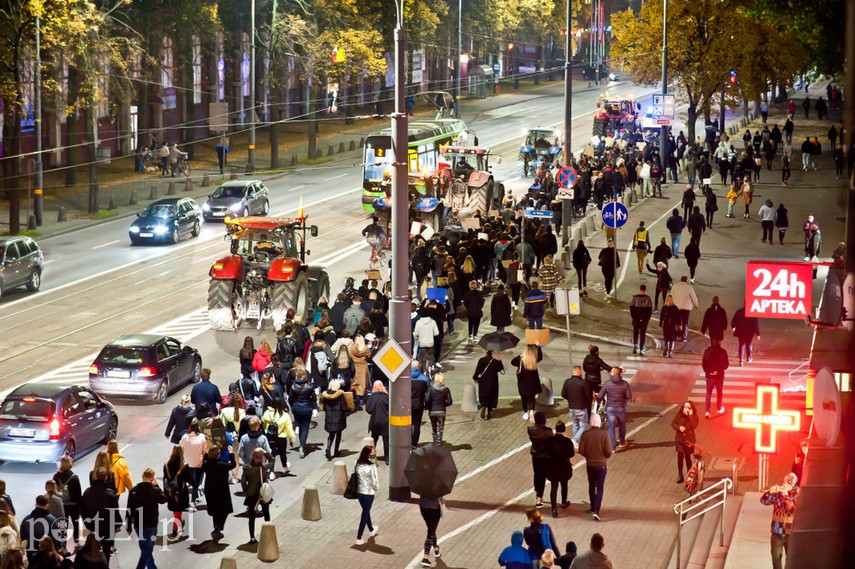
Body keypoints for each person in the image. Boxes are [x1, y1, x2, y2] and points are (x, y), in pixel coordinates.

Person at [125, 468, 168, 569]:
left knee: (145, 548)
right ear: (153, 478)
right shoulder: (155, 490)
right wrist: (157, 485)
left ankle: (151, 567)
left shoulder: (133, 491)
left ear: (142, 477)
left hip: (138, 524)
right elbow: (164, 499)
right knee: (147, 550)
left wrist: (128, 527)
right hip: (151, 524)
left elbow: (129, 510)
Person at [79, 467, 119, 564]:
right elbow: (115, 511)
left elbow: (82, 509)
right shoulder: (110, 494)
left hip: (93, 525)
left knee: (94, 548)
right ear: (106, 477)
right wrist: (116, 525)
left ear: (95, 476)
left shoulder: (87, 492)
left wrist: (87, 522)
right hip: (107, 526)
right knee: (106, 549)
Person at [760, 473, 799, 569]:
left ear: (791, 484)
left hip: (791, 533)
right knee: (776, 556)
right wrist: (770, 491)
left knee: (791, 559)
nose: (783, 484)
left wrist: (786, 496)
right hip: (777, 532)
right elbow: (763, 501)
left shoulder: (797, 495)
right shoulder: (778, 494)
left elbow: (792, 510)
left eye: (785, 482)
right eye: (783, 482)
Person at [577, 414, 611, 522]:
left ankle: (592, 507)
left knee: (591, 485)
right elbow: (609, 452)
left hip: (590, 465)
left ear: (591, 423)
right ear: (599, 422)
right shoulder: (605, 434)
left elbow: (581, 450)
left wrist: (589, 455)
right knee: (600, 487)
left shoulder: (585, 434)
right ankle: (596, 510)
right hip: (601, 465)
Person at [202, 445, 235, 536]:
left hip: (210, 488)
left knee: (214, 507)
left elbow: (204, 459)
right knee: (224, 509)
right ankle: (220, 524)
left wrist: (206, 452)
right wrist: (231, 453)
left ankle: (216, 524)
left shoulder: (206, 464)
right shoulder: (221, 464)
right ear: (218, 455)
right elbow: (233, 465)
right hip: (221, 488)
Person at [241, 448, 271, 544]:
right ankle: (269, 533)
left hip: (251, 493)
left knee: (252, 516)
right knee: (266, 513)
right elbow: (273, 460)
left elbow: (243, 481)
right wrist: (265, 452)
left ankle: (252, 537)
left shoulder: (247, 468)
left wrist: (245, 491)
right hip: (263, 492)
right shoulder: (263, 468)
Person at [527, 411, 556, 513]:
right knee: (543, 476)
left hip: (535, 455)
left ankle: (537, 491)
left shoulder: (531, 430)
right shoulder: (548, 431)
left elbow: (532, 425)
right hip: (545, 456)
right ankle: (539, 497)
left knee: (537, 473)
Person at [598, 368, 632, 450]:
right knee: (622, 425)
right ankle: (622, 441)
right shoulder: (624, 383)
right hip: (621, 407)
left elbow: (600, 395)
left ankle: (612, 446)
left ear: (613, 374)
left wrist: (599, 401)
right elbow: (629, 396)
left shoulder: (607, 383)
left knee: (611, 427)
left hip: (610, 408)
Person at [19, 496, 61, 562]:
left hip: (31, 551)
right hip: (48, 553)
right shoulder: (52, 520)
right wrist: (58, 547)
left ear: (36, 504)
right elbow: (57, 537)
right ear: (47, 505)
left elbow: (23, 536)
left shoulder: (26, 519)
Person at [53, 455, 82, 549]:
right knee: (75, 523)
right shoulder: (74, 477)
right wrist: (80, 507)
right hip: (73, 505)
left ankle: (63, 545)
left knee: (62, 524)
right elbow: (78, 494)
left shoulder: (56, 476)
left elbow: (54, 491)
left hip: (61, 505)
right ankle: (76, 543)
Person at [354, 445, 380, 545]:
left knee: (366, 510)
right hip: (369, 492)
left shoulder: (357, 463)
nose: (374, 454)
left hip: (359, 491)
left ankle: (371, 529)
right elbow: (375, 480)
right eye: (372, 453)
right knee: (365, 513)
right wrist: (377, 488)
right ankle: (359, 537)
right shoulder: (372, 466)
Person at [288, 370, 318, 459]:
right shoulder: (309, 386)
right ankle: (302, 445)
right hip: (306, 408)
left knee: (299, 424)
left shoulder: (293, 386)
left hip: (296, 408)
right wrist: (315, 408)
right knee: (305, 427)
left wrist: (292, 406)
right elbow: (314, 398)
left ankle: (301, 441)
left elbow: (290, 399)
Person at [162, 445, 189, 540]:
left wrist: (165, 493)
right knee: (178, 512)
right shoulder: (184, 466)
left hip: (170, 492)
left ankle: (178, 524)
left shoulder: (166, 465)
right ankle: (175, 531)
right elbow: (190, 480)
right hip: (181, 493)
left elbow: (164, 480)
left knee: (176, 512)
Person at [178, 419, 207, 506]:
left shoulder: (185, 437)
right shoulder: (202, 437)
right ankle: (193, 501)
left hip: (187, 463)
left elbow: (180, 447)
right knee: (196, 483)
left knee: (189, 482)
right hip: (198, 462)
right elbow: (204, 450)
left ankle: (188, 500)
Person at [561, 366, 592, 446]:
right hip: (581, 408)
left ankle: (576, 443)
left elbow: (563, 394)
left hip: (572, 407)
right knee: (583, 425)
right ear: (579, 372)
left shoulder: (567, 382)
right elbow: (588, 396)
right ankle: (575, 440)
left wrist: (570, 398)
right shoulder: (583, 383)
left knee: (575, 425)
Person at [512, 345, 543, 421]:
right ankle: (531, 411)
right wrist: (538, 347)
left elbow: (512, 362)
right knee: (532, 398)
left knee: (524, 399)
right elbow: (540, 357)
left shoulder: (521, 360)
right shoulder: (534, 360)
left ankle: (525, 413)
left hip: (523, 383)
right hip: (533, 383)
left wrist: (520, 356)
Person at [319, 378, 348, 460]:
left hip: (329, 417)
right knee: (338, 434)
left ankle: (328, 448)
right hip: (339, 417)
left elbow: (324, 407)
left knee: (331, 434)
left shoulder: (325, 395)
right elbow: (343, 407)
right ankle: (336, 451)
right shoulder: (340, 395)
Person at [550, 421, 576, 512]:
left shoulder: (551, 441)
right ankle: (564, 502)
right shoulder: (567, 441)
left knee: (554, 487)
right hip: (564, 467)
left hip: (553, 467)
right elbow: (572, 454)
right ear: (564, 430)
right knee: (564, 485)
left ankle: (553, 508)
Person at [672, 401, 699, 483]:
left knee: (687, 457)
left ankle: (689, 475)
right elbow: (673, 423)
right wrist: (679, 427)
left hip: (689, 440)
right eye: (685, 407)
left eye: (689, 407)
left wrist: (690, 415)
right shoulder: (679, 415)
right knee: (680, 455)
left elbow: (694, 425)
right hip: (680, 439)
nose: (686, 409)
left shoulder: (694, 416)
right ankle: (680, 475)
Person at [701, 338, 729, 418]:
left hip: (709, 376)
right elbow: (725, 365)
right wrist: (717, 371)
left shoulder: (707, 351)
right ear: (719, 343)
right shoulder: (723, 352)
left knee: (708, 393)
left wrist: (709, 372)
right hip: (719, 376)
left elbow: (704, 363)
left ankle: (707, 411)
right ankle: (719, 408)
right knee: (719, 392)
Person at [473, 350, 504, 420]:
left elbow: (477, 370)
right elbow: (500, 369)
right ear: (492, 352)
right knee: (492, 395)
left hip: (483, 381)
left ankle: (484, 405)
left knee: (484, 393)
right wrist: (500, 360)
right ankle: (489, 412)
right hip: (493, 381)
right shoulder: (495, 362)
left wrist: (475, 377)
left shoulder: (481, 360)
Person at [365, 381, 390, 464]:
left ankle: (371, 457)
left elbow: (368, 409)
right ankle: (387, 458)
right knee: (386, 440)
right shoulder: (387, 397)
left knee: (374, 439)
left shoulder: (371, 398)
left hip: (375, 421)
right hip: (386, 421)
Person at [425, 373, 453, 444]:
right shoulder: (446, 389)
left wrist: (428, 407)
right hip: (441, 411)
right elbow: (450, 401)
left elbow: (427, 400)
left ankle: (435, 442)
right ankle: (439, 443)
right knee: (440, 428)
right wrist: (443, 405)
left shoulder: (431, 389)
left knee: (434, 427)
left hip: (432, 411)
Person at [671, 276, 699, 342]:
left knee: (676, 322)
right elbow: (694, 298)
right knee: (685, 322)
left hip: (676, 307)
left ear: (680, 280)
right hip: (686, 308)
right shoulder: (689, 288)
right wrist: (696, 305)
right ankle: (684, 337)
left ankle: (676, 335)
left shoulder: (675, 287)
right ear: (686, 280)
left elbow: (671, 296)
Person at [418, 495, 443, 567]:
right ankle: (425, 558)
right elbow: (441, 498)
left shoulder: (422, 483)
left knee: (431, 529)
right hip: (434, 509)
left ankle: (436, 548)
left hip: (423, 507)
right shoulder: (439, 484)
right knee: (431, 532)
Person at [630, 285, 653, 355]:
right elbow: (650, 310)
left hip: (636, 319)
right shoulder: (648, 299)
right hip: (644, 320)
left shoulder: (635, 298)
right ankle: (641, 349)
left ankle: (635, 345)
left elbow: (631, 308)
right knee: (642, 334)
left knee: (635, 332)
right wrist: (647, 318)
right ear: (645, 290)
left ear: (640, 290)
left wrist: (634, 317)